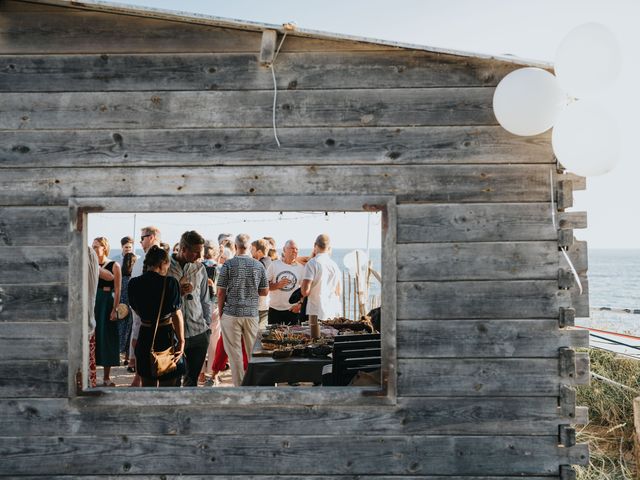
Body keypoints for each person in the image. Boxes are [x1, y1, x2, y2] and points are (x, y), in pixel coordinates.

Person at [128, 245, 185, 387]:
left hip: (145, 334)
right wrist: (182, 341)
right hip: (165, 336)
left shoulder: (133, 283)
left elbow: (135, 309)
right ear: (162, 264)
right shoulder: (170, 283)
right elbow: (176, 315)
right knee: (168, 385)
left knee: (147, 385)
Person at [217, 234, 268, 386]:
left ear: (235, 246)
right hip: (252, 313)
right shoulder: (259, 265)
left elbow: (220, 292)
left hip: (231, 313)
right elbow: (265, 291)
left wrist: (221, 313)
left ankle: (240, 387)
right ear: (249, 247)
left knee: (234, 354)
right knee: (253, 351)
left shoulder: (228, 264)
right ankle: (255, 384)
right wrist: (250, 290)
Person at [168, 230, 212, 387]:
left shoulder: (200, 268)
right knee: (172, 381)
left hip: (199, 333)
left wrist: (207, 326)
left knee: (191, 381)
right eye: (195, 252)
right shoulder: (166, 267)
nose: (199, 256)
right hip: (172, 334)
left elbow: (205, 300)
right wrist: (177, 291)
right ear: (182, 248)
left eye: (200, 252)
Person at [128, 225, 161, 386]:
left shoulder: (162, 260)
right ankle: (138, 373)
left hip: (153, 312)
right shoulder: (140, 260)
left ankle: (141, 377)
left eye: (142, 238)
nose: (140, 241)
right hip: (138, 310)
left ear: (151, 237)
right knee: (137, 339)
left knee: (148, 343)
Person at [92, 236, 122, 386]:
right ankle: (91, 375)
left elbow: (118, 289)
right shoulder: (90, 264)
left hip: (107, 302)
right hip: (92, 301)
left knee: (107, 337)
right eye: (93, 246)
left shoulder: (114, 265)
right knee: (93, 337)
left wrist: (115, 309)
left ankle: (106, 377)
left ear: (105, 247)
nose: (95, 249)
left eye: (97, 246)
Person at [300, 234, 342, 339]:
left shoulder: (312, 263)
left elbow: (305, 291)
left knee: (315, 341)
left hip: (316, 310)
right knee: (330, 340)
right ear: (329, 248)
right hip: (331, 309)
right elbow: (338, 291)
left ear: (315, 245)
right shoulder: (334, 265)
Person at [267, 239, 305, 325]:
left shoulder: (301, 268)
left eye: (296, 249)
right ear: (284, 249)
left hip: (292, 310)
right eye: (292, 248)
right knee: (273, 337)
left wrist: (300, 305)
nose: (295, 251)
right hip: (274, 310)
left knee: (293, 338)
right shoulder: (274, 265)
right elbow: (264, 286)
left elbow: (304, 290)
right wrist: (277, 285)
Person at [118, 252, 137, 366]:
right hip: (131, 307)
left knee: (121, 330)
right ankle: (127, 358)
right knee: (130, 332)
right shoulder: (134, 278)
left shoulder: (120, 276)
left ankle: (119, 354)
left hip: (121, 307)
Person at [251, 238, 272, 330]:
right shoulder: (271, 262)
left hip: (258, 304)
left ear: (259, 251)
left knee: (255, 334)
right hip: (267, 303)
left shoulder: (258, 265)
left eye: (252, 249)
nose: (251, 252)